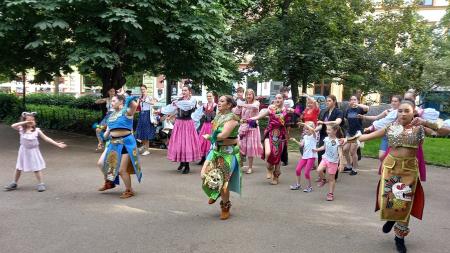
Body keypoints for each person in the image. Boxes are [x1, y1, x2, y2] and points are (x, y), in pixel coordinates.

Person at [352, 100, 436, 253]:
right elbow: (368, 136)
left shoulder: (420, 128)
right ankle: (392, 218)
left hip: (408, 171)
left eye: (406, 111)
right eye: (400, 111)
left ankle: (399, 238)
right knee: (390, 199)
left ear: (414, 112)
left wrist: (426, 122)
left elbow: (442, 131)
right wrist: (349, 139)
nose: (403, 114)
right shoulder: (391, 127)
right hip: (391, 169)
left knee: (405, 204)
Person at [201, 95, 241, 220]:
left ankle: (225, 207)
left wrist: (210, 137)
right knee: (203, 174)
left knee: (223, 185)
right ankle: (215, 191)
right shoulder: (218, 116)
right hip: (215, 150)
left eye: (222, 101)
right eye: (219, 101)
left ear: (229, 105)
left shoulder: (233, 118)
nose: (219, 103)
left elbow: (223, 135)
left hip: (227, 154)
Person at [4, 112, 67, 192]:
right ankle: (14, 183)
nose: (31, 122)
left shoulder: (36, 130)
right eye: (29, 120)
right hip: (23, 151)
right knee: (18, 167)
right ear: (24, 121)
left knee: (36, 168)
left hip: (33, 151)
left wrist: (57, 144)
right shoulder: (21, 129)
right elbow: (13, 125)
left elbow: (46, 138)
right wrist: (25, 122)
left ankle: (41, 184)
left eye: (32, 120)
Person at [97, 94, 142, 199]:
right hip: (113, 143)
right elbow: (106, 134)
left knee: (122, 170)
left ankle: (129, 190)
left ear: (121, 102)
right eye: (111, 101)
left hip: (126, 143)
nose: (111, 103)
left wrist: (128, 98)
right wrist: (102, 134)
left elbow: (135, 106)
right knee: (102, 164)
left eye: (113, 101)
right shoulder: (111, 116)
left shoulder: (127, 112)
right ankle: (110, 182)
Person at [248, 94, 292, 185]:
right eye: (276, 98)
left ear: (284, 99)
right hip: (270, 133)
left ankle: (276, 177)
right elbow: (259, 116)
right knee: (268, 153)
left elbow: (299, 114)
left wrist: (295, 111)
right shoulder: (271, 109)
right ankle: (269, 168)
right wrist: (249, 119)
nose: (277, 99)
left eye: (279, 98)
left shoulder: (286, 110)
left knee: (278, 156)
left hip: (281, 135)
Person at [167, 85, 201, 174]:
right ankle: (182, 162)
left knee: (187, 143)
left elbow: (188, 107)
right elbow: (175, 109)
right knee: (179, 143)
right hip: (179, 123)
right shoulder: (179, 100)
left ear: (189, 91)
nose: (183, 92)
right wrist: (170, 115)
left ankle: (187, 165)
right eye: (182, 90)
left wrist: (177, 102)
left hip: (187, 123)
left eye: (185, 90)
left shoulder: (192, 100)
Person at [361, 95, 402, 162]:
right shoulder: (388, 111)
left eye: (395, 101)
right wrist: (364, 117)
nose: (393, 103)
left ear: (400, 103)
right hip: (379, 130)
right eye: (392, 101)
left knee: (390, 156)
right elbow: (376, 117)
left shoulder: (400, 112)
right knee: (381, 156)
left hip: (391, 135)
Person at [313, 124, 344, 201]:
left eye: (329, 130)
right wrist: (317, 149)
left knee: (331, 179)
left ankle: (330, 194)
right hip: (325, 158)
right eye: (327, 129)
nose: (327, 131)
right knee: (319, 170)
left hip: (333, 162)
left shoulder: (338, 141)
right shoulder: (326, 139)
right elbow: (324, 147)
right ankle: (323, 179)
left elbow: (340, 153)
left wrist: (341, 164)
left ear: (335, 131)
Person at [342, 95, 369, 176]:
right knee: (345, 149)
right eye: (351, 100)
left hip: (358, 133)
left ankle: (355, 169)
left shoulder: (360, 109)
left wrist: (358, 104)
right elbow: (346, 119)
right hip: (350, 132)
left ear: (357, 101)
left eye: (355, 99)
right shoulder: (348, 110)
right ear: (349, 101)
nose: (353, 101)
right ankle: (349, 165)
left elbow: (367, 108)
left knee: (352, 151)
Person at [238, 88, 263, 174]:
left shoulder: (256, 103)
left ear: (253, 95)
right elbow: (240, 114)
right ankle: (240, 162)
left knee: (250, 148)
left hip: (252, 127)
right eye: (247, 94)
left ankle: (250, 167)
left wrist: (243, 105)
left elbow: (255, 107)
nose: (248, 96)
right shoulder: (244, 104)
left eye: (250, 94)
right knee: (240, 145)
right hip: (243, 127)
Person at [289, 121, 317, 192]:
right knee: (297, 170)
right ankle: (298, 185)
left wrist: (305, 124)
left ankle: (310, 187)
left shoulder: (314, 136)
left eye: (307, 129)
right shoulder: (305, 136)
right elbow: (301, 145)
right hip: (305, 156)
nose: (305, 130)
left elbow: (313, 130)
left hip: (311, 156)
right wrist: (295, 140)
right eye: (305, 129)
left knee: (306, 172)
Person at [135, 85, 157, 156]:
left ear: (146, 89)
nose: (142, 91)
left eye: (144, 89)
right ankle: (144, 146)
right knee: (140, 132)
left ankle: (147, 149)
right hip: (141, 114)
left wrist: (145, 101)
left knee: (146, 133)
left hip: (147, 115)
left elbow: (154, 103)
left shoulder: (149, 97)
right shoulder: (140, 97)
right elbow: (136, 105)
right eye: (141, 89)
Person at [197, 92, 217, 165]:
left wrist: (214, 121)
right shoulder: (204, 105)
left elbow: (217, 116)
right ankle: (203, 158)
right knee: (202, 141)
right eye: (207, 96)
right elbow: (201, 114)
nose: (209, 97)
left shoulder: (215, 106)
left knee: (210, 142)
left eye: (210, 96)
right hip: (205, 125)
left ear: (213, 96)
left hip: (212, 125)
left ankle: (210, 159)